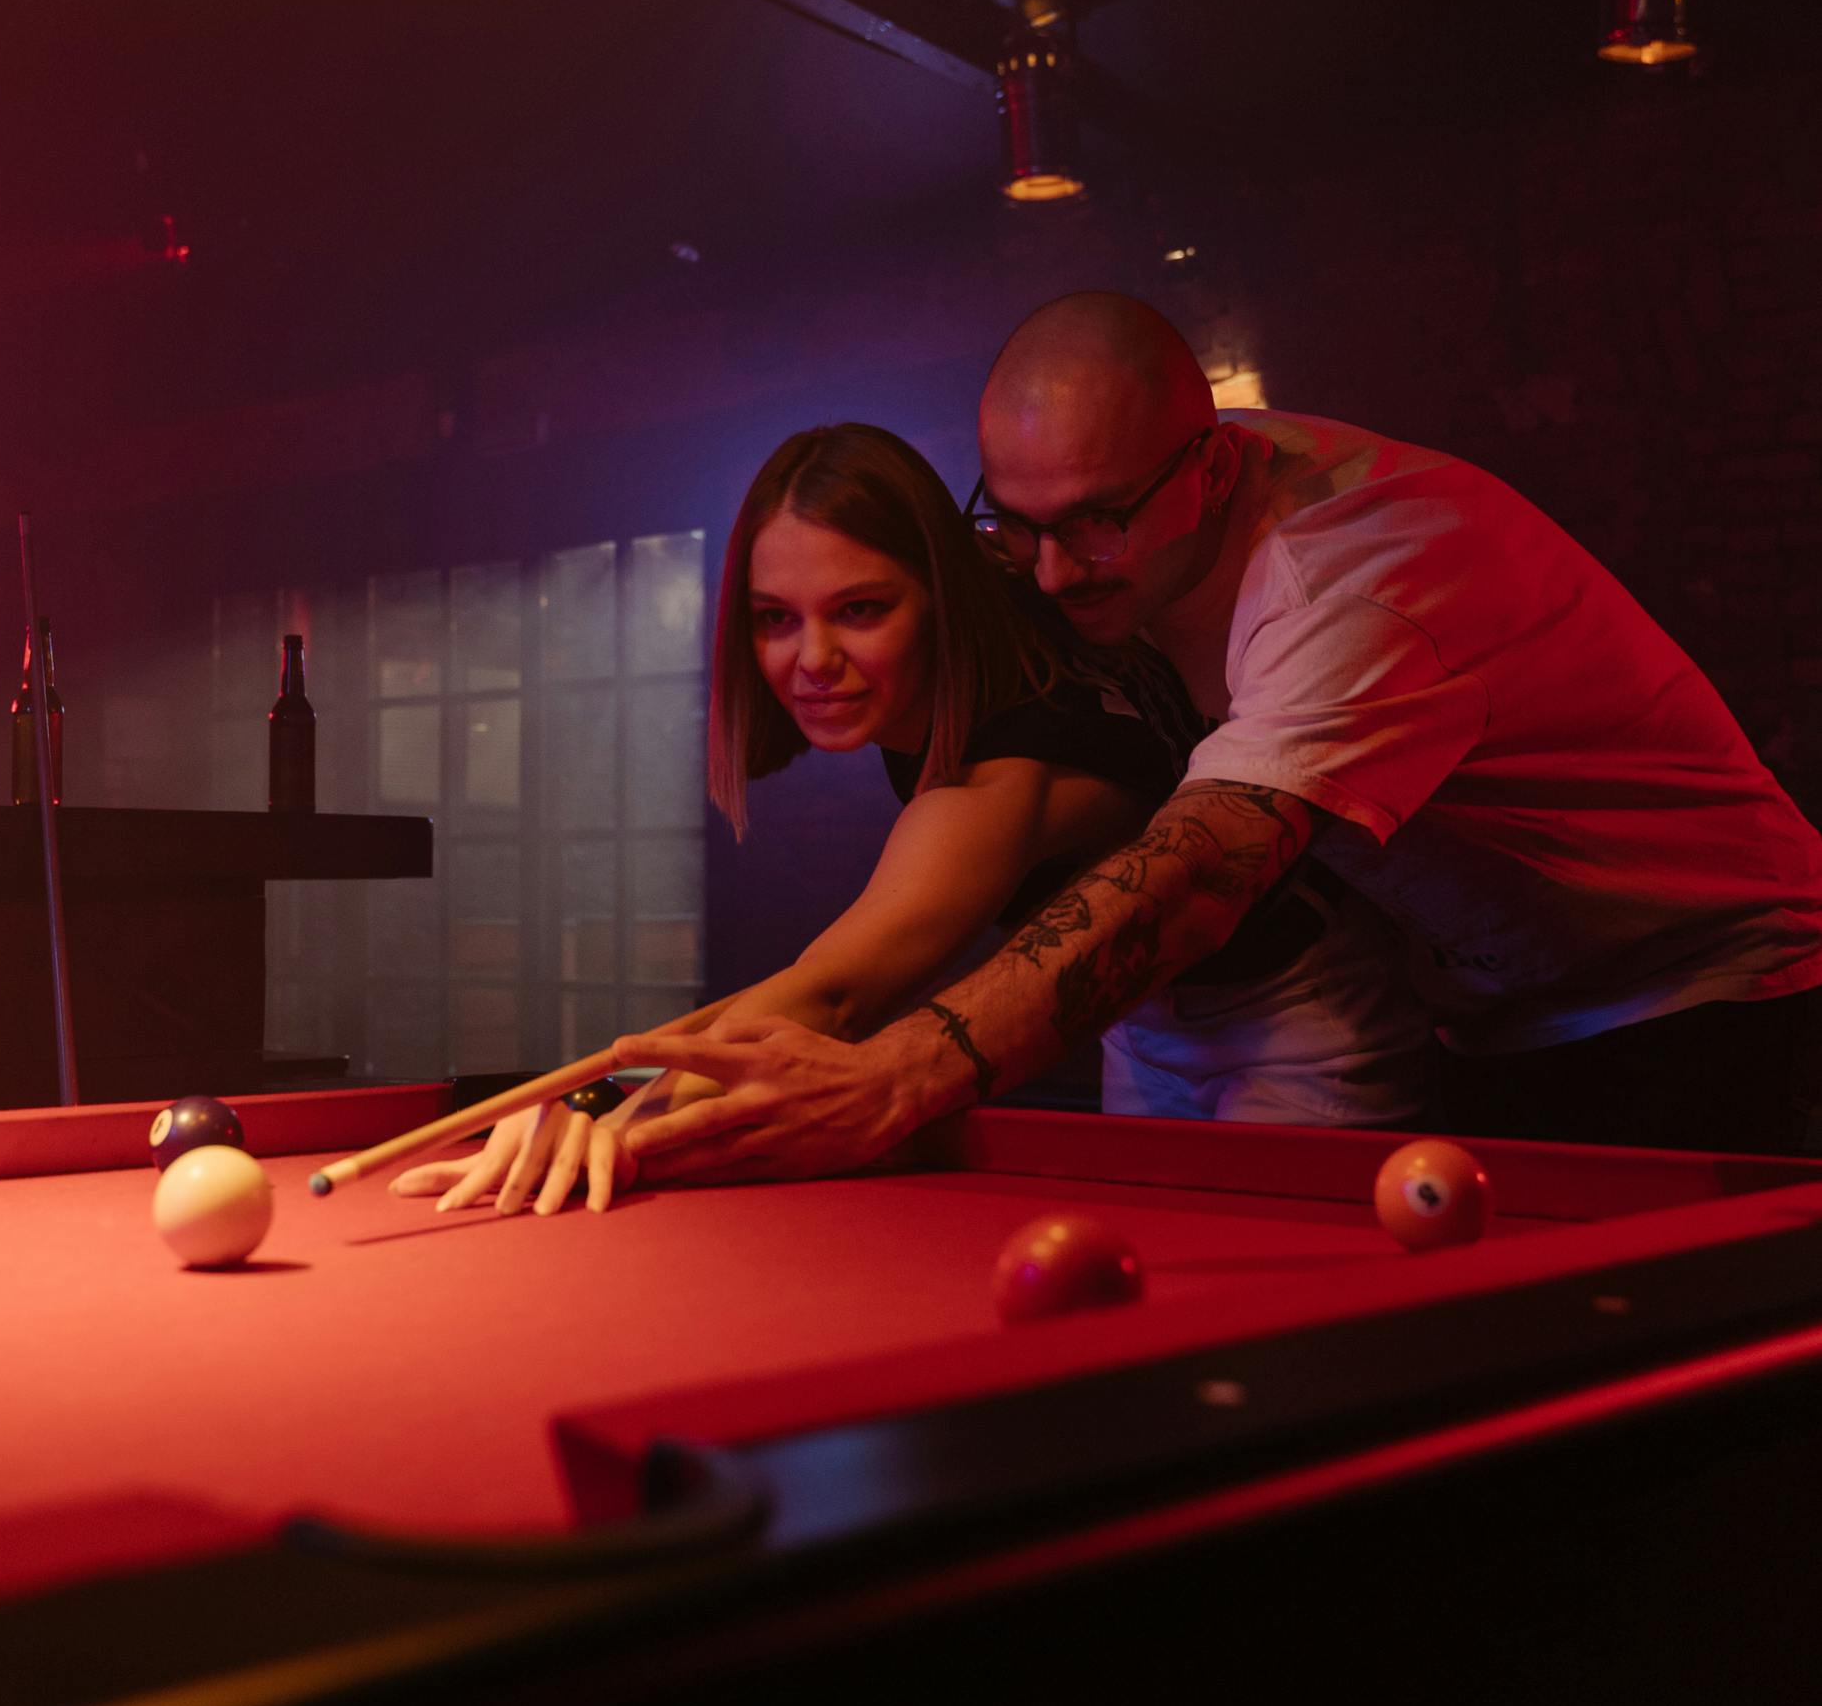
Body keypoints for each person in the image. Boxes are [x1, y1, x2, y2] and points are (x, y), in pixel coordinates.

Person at [601, 293, 1822, 1186]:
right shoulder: (1094, 533)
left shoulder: (1344, 586)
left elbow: (1194, 873)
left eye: (1095, 522)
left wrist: (898, 1075)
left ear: (1214, 458)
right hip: (1492, 1005)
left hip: (1702, 988)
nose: (1052, 567)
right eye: (1016, 523)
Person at [396, 420, 1431, 1219]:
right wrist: (596, 1087)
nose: (810, 658)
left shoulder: (999, 773)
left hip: (1299, 1025)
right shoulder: (1002, 605)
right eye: (774, 617)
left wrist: (592, 1100)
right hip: (1140, 1019)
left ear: (937, 596)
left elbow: (835, 995)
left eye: (859, 608)